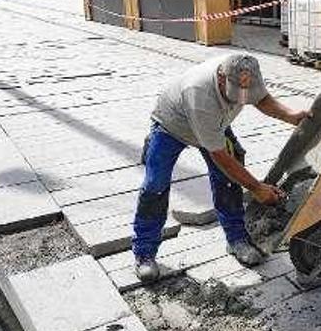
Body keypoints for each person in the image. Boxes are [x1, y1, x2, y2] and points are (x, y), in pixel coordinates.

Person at [132, 54, 310, 282]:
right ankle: (144, 253)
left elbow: (262, 99)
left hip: (215, 126)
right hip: (172, 125)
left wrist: (291, 115)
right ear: (220, 77)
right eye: (236, 94)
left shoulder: (247, 73)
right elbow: (220, 156)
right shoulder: (199, 92)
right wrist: (257, 188)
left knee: (228, 181)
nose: (241, 100)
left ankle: (236, 239)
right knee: (155, 184)